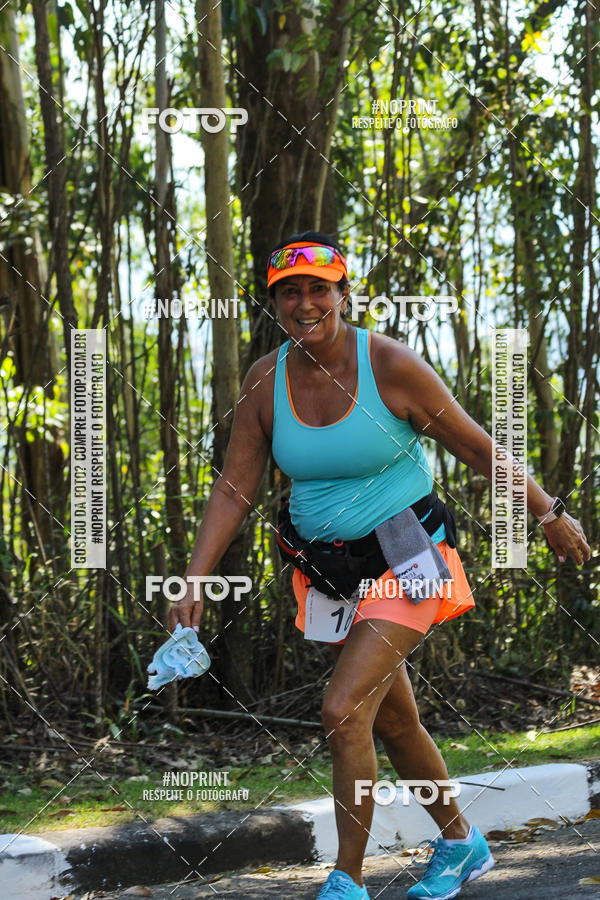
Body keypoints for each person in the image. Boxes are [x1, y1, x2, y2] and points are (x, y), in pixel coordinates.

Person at [169, 231, 591, 900]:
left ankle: (348, 877)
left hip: (409, 555)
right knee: (391, 720)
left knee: (341, 712)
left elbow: (477, 447)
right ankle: (462, 843)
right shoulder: (264, 380)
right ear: (275, 301)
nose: (305, 302)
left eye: (319, 288)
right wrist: (194, 577)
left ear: (343, 292)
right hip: (332, 573)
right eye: (290, 291)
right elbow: (234, 487)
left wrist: (548, 513)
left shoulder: (389, 365)